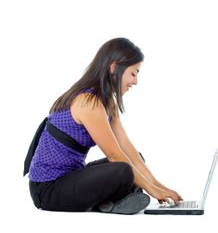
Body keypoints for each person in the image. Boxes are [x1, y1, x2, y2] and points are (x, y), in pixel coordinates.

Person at [25, 38, 182, 214]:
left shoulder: (106, 102)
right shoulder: (88, 102)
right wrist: (153, 191)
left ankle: (108, 202)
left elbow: (126, 148)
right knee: (123, 171)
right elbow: (115, 155)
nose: (136, 81)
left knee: (136, 159)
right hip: (49, 189)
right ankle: (113, 199)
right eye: (133, 73)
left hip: (73, 176)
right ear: (114, 67)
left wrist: (160, 186)